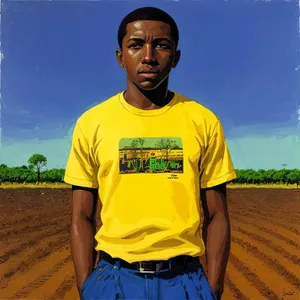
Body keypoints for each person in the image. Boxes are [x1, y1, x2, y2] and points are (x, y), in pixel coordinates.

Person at [64, 6, 236, 300]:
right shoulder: (91, 123)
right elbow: (81, 215)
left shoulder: (203, 121)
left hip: (185, 280)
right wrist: (86, 286)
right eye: (135, 45)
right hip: (113, 278)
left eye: (161, 45)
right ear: (120, 57)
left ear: (176, 57)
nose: (148, 56)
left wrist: (213, 288)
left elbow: (218, 214)